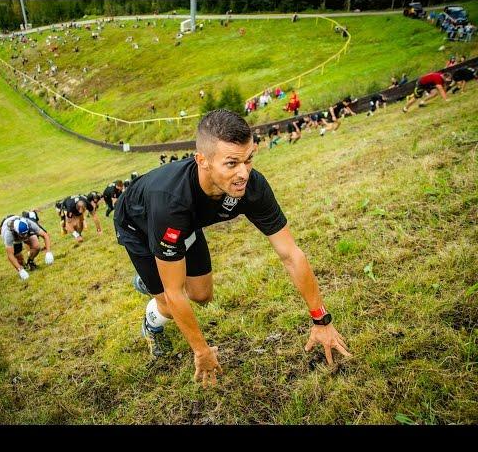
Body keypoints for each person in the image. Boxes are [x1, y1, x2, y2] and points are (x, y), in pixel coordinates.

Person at [114, 109, 351, 387]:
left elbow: (291, 254)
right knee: (169, 302)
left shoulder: (253, 186)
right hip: (139, 226)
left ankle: (148, 279)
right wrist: (201, 351)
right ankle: (151, 323)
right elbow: (175, 292)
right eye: (231, 164)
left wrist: (321, 320)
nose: (243, 173)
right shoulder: (171, 204)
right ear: (202, 161)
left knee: (202, 296)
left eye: (248, 159)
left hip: (186, 224)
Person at [0, 215, 54, 280]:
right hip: (15, 240)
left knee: (36, 246)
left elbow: (45, 235)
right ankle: (24, 268)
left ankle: (30, 262)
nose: (24, 237)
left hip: (21, 231)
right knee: (20, 259)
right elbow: (10, 255)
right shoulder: (8, 234)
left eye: (26, 234)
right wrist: (20, 270)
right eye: (22, 235)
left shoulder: (30, 224)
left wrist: (48, 252)